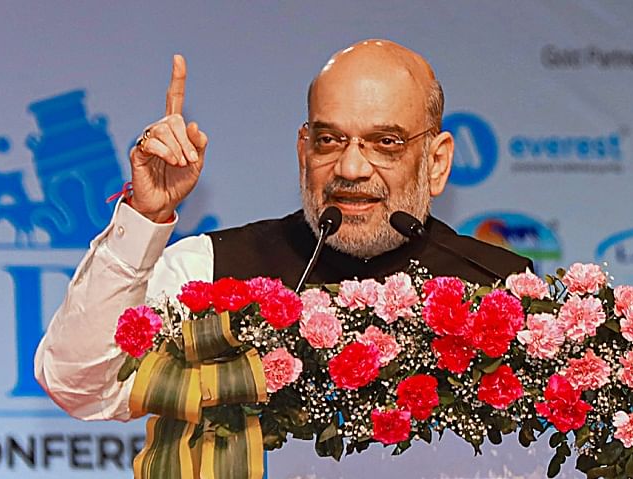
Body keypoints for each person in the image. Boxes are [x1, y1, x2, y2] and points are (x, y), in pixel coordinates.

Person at [35, 40, 530, 421]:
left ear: (437, 162)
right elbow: (80, 385)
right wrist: (143, 217)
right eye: (329, 140)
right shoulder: (209, 271)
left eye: (385, 143)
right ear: (303, 151)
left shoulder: (498, 288)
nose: (351, 167)